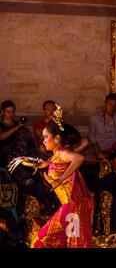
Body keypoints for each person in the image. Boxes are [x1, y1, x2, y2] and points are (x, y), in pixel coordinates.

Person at [17, 104, 94, 248]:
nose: (44, 141)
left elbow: (79, 158)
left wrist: (61, 179)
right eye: (43, 138)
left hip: (72, 207)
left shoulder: (63, 153)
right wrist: (39, 164)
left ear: (57, 138)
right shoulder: (56, 155)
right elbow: (52, 163)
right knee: (66, 243)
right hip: (69, 207)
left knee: (41, 241)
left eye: (46, 137)